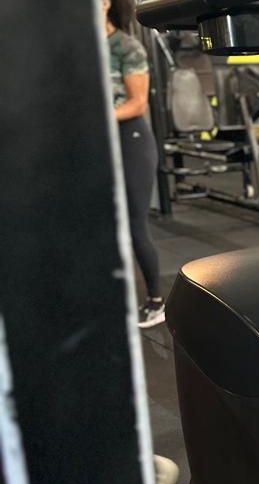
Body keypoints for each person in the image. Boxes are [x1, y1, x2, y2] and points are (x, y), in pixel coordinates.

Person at [103, 0, 165, 328]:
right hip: (98, 142)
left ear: (105, 4)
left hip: (131, 140)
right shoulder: (81, 49)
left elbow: (137, 103)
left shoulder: (126, 46)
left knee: (134, 223)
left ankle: (156, 301)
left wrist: (93, 116)